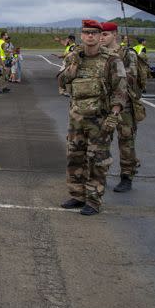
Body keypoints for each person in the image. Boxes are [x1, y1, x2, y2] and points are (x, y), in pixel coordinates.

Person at [58, 20, 127, 216]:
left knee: (98, 161)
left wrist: (114, 114)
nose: (90, 36)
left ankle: (93, 200)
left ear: (99, 36)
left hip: (100, 120)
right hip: (76, 118)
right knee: (75, 157)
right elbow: (61, 81)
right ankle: (77, 195)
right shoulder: (73, 57)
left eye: (94, 33)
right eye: (86, 33)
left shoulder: (112, 60)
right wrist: (72, 67)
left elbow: (120, 90)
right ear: (81, 35)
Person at [100, 22, 141, 192]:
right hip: (103, 103)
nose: (101, 38)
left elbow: (132, 77)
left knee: (126, 141)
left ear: (114, 35)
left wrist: (116, 73)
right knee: (102, 140)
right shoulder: (100, 54)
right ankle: (100, 175)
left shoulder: (127, 53)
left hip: (124, 104)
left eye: (105, 35)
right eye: (100, 35)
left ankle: (126, 176)